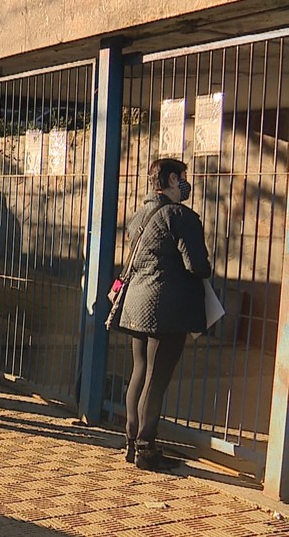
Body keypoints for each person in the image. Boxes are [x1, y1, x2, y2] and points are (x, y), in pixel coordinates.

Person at [117, 159, 211, 471]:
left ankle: (132, 443)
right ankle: (147, 450)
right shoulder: (180, 216)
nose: (186, 183)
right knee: (156, 381)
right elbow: (197, 265)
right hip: (166, 310)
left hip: (136, 304)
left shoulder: (140, 214)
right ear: (172, 179)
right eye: (183, 178)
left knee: (140, 372)